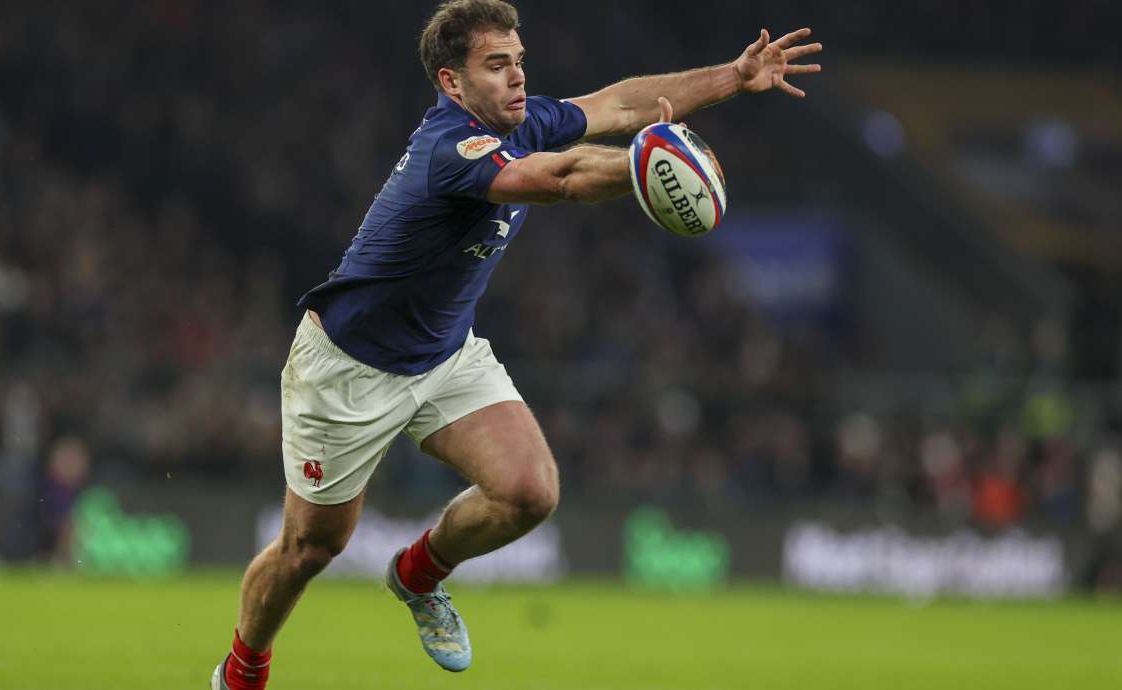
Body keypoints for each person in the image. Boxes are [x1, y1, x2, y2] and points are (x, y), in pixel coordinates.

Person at [212, 1, 820, 687]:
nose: (517, 77)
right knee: (311, 547)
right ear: (452, 83)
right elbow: (557, 178)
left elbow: (622, 105)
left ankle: (416, 577)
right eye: (496, 65)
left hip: (443, 354)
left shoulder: (525, 120)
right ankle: (241, 670)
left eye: (519, 61)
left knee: (530, 491)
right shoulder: (452, 149)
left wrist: (733, 77)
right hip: (349, 368)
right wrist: (653, 164)